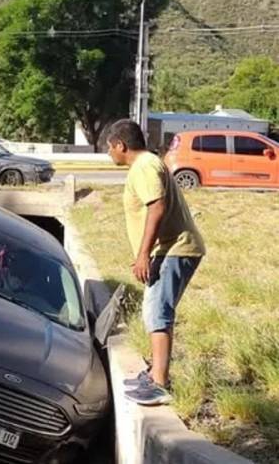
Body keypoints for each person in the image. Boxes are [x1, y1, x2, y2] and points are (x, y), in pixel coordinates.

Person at [106, 119, 205, 406]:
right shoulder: (146, 164)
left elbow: (157, 207)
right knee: (158, 311)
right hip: (169, 249)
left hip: (173, 249)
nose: (109, 153)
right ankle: (155, 374)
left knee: (156, 312)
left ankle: (160, 383)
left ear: (120, 145)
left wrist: (142, 254)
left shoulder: (145, 166)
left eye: (109, 148)